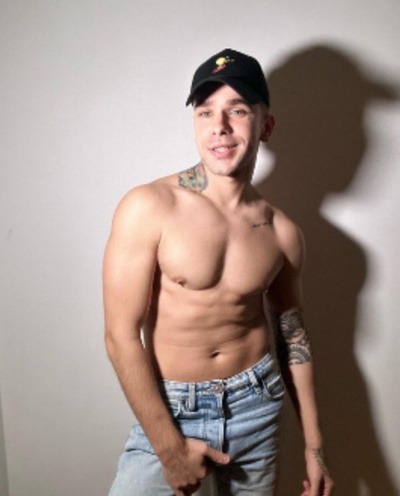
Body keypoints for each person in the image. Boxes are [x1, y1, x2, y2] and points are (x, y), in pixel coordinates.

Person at [103, 48, 334, 496]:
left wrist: (315, 446)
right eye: (205, 111)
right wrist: (169, 449)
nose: (219, 126)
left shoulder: (282, 232)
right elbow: (120, 336)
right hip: (172, 409)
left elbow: (292, 337)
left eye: (238, 110)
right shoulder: (149, 207)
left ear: (266, 126)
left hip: (257, 407)